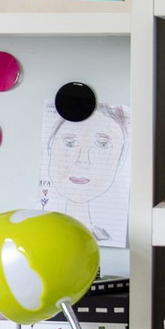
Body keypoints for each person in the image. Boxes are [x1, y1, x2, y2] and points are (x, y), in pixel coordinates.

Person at [40, 104, 130, 244]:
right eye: (70, 143)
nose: (82, 160)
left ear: (121, 158)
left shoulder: (108, 237)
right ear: (50, 145)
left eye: (102, 144)